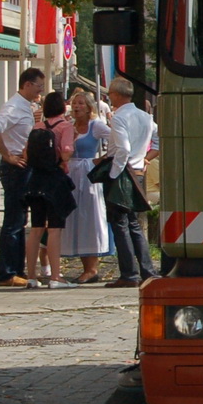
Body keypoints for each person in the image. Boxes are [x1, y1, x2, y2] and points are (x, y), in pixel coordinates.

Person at [0, 68, 47, 286]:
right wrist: (7, 155)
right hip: (16, 168)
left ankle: (17, 269)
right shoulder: (13, 107)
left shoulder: (26, 107)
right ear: (27, 84)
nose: (41, 91)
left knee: (20, 219)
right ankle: (7, 272)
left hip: (25, 166)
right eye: (39, 86)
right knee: (13, 220)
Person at [63, 91, 128, 284]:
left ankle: (92, 268)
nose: (77, 107)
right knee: (75, 217)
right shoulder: (70, 126)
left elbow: (115, 139)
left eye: (81, 103)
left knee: (89, 217)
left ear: (89, 107)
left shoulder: (96, 125)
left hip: (88, 173)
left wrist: (101, 160)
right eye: (75, 103)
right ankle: (85, 265)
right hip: (71, 173)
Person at [105, 77, 159, 287]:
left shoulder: (119, 118)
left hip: (123, 172)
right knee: (134, 223)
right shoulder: (145, 117)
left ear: (116, 95)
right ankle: (147, 270)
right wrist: (145, 158)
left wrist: (114, 173)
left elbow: (123, 148)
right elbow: (157, 141)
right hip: (138, 172)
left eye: (110, 94)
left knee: (120, 224)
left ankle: (129, 273)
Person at [22, 92, 75, 289]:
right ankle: (55, 277)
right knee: (54, 229)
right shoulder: (65, 126)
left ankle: (31, 276)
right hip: (54, 180)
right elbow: (67, 151)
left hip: (35, 180)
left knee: (36, 228)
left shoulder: (37, 126)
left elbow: (26, 153)